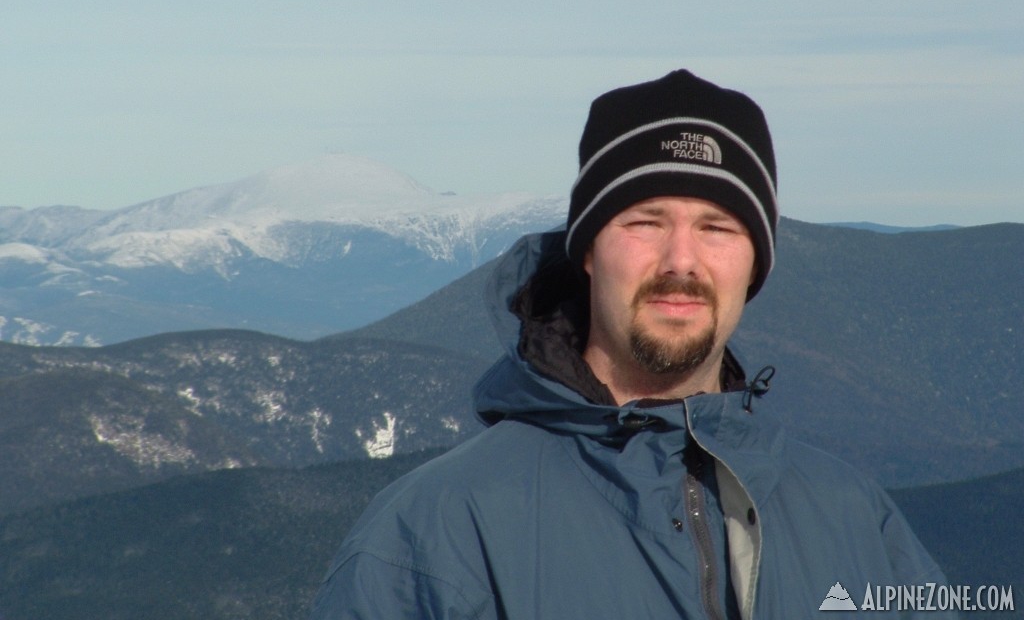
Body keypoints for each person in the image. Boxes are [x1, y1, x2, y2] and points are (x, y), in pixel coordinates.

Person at [309, 69, 953, 619]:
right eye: (645, 222)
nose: (682, 260)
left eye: (717, 227)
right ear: (588, 250)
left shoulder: (854, 520)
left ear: (754, 264)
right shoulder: (438, 533)